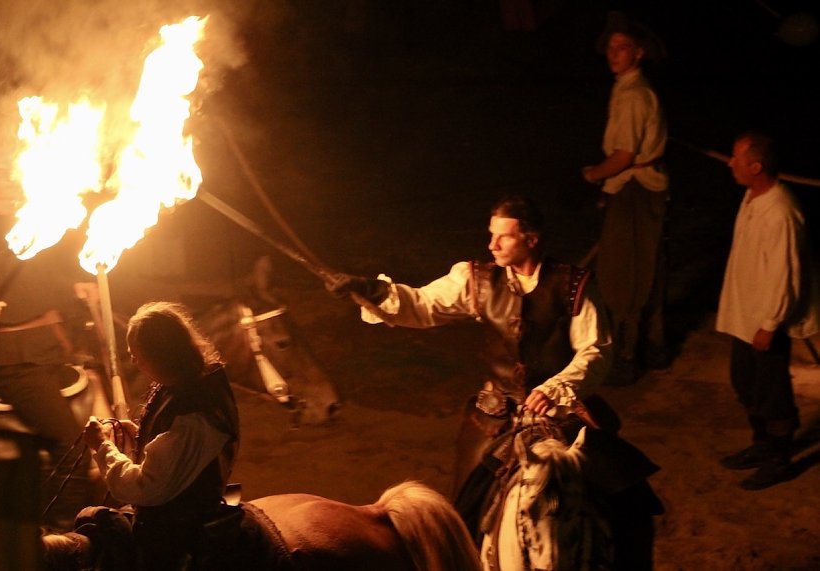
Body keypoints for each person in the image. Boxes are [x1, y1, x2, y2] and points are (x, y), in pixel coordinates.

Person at [328, 194, 663, 569]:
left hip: (563, 409)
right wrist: (374, 291)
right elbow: (423, 305)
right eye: (491, 235)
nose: (492, 245)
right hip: (497, 414)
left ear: (531, 239)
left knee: (629, 499)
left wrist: (557, 388)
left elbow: (596, 349)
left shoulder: (573, 285)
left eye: (503, 237)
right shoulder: (477, 280)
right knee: (467, 506)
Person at [0, 128, 98, 531]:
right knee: (73, 449)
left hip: (51, 347)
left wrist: (77, 282)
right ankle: (58, 539)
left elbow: (50, 274)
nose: (6, 166)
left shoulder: (34, 219)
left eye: (9, 159)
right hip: (13, 362)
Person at [81, 301, 240, 569]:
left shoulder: (194, 413)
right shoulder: (182, 381)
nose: (133, 361)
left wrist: (103, 446)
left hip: (181, 528)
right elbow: (166, 445)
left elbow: (144, 487)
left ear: (162, 353)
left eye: (138, 353)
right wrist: (137, 432)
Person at [716, 131, 818, 490]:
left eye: (737, 158)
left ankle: (779, 457)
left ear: (756, 166)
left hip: (764, 321)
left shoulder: (780, 213)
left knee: (772, 391)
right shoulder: (751, 197)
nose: (731, 163)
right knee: (746, 383)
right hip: (746, 316)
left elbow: (784, 272)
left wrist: (770, 323)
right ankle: (761, 445)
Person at [582, 13, 669, 384]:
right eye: (611, 48)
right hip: (629, 187)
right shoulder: (626, 88)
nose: (613, 54)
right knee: (640, 265)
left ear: (639, 52)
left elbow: (625, 156)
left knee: (627, 271)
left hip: (637, 188)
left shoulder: (635, 94)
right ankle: (653, 345)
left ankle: (630, 354)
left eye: (622, 48)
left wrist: (594, 174)